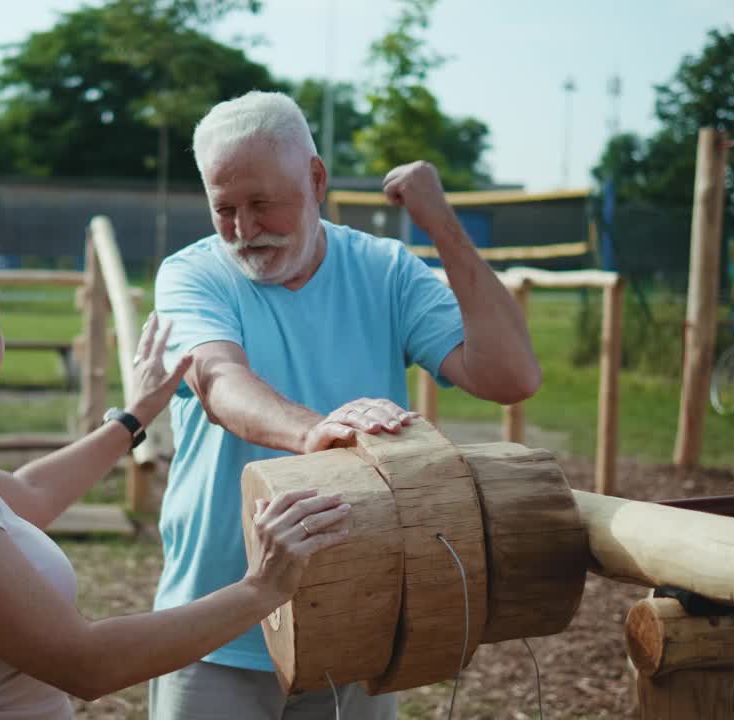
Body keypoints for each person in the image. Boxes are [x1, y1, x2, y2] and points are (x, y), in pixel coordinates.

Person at [0, 171, 353, 720]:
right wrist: (263, 589)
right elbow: (86, 663)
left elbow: (29, 495)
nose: (1, 339)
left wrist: (134, 417)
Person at [149, 91, 542, 719]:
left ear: (315, 178)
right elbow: (219, 380)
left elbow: (511, 375)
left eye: (263, 204)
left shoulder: (386, 269)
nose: (245, 232)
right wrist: (317, 432)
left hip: (356, 609)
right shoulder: (192, 274)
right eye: (225, 209)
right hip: (214, 624)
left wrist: (441, 225)